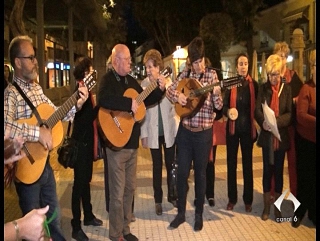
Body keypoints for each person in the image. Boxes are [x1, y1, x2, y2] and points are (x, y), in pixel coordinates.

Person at [4, 35, 89, 241]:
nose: (35, 62)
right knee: (33, 229)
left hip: (44, 165)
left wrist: (75, 104)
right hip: (27, 168)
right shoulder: (10, 94)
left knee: (54, 218)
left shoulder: (37, 88)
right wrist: (36, 133)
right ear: (18, 62)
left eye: (34, 57)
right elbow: (5, 126)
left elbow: (55, 115)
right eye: (31, 57)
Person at [97, 44, 166, 241]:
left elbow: (145, 99)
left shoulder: (131, 80)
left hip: (131, 144)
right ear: (117, 60)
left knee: (130, 189)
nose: (130, 63)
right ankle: (115, 234)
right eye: (127, 60)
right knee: (117, 194)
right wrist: (128, 104)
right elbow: (103, 99)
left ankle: (125, 230)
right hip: (116, 145)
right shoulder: (108, 79)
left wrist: (159, 90)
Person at [166, 36, 222, 231]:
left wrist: (216, 95)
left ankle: (198, 214)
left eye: (200, 61)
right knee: (181, 173)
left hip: (203, 134)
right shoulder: (186, 72)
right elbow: (169, 90)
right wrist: (178, 96)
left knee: (200, 174)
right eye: (194, 62)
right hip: (185, 132)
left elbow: (220, 106)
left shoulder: (212, 76)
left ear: (204, 58)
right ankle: (181, 213)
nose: (197, 66)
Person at [140, 49, 179, 215]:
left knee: (171, 165)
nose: (149, 70)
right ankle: (158, 200)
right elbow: (142, 113)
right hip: (153, 132)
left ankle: (172, 195)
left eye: (151, 66)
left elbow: (175, 105)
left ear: (159, 67)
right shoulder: (143, 86)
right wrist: (144, 135)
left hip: (169, 131)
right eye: (147, 67)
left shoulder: (168, 83)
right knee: (156, 167)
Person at [254, 54, 292, 222]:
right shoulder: (263, 88)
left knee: (278, 172)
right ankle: (266, 207)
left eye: (276, 74)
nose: (273, 78)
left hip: (281, 137)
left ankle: (277, 207)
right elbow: (257, 110)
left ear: (281, 73)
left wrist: (276, 122)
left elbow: (289, 113)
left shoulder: (287, 89)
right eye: (270, 74)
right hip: (268, 137)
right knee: (267, 171)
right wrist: (264, 122)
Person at [70, 56, 103, 241]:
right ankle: (76, 226)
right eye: (90, 70)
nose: (93, 74)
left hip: (87, 145)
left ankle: (88, 216)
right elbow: (83, 120)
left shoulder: (87, 91)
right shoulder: (80, 92)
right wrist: (98, 107)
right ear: (84, 73)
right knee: (78, 186)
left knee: (85, 183)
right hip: (81, 146)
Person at [222, 53, 259, 212]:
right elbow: (222, 106)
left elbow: (258, 107)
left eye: (245, 63)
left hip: (247, 131)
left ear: (248, 65)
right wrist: (228, 111)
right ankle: (232, 198)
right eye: (240, 64)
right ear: (236, 67)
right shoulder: (230, 84)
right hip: (232, 130)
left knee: (248, 166)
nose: (243, 66)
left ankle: (248, 200)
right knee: (231, 164)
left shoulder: (254, 85)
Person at [271, 42, 303, 199]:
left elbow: (302, 95)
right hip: (275, 127)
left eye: (284, 56)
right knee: (273, 163)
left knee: (293, 163)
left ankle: (295, 195)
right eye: (279, 55)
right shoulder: (273, 76)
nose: (282, 59)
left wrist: (298, 99)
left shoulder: (293, 75)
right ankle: (272, 194)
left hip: (290, 126)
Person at [292, 49, 316, 228]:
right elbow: (301, 115)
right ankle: (299, 211)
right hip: (306, 142)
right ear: (312, 68)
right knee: (305, 178)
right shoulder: (306, 89)